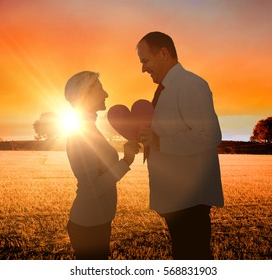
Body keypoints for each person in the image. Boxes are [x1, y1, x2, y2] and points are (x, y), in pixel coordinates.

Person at [137, 32, 224, 259]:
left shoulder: (190, 85)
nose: (143, 69)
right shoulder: (168, 88)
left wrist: (159, 141)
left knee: (193, 258)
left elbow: (209, 135)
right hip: (177, 199)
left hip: (190, 201)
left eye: (145, 60)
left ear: (164, 53)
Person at [64, 71, 140, 259]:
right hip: (88, 224)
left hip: (96, 221)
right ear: (85, 95)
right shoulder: (80, 135)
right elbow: (91, 189)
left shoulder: (89, 129)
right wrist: (126, 162)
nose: (106, 94)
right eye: (100, 89)